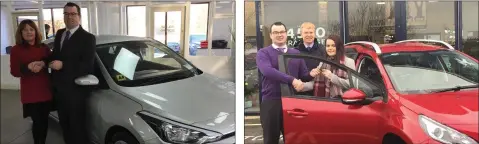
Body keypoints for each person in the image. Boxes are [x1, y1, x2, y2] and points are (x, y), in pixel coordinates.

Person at [256, 22, 314, 144]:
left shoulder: (296, 53)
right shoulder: (263, 53)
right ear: (271, 35)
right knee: (271, 140)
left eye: (282, 32)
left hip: (292, 102)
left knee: (295, 139)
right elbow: (268, 72)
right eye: (276, 32)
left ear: (286, 34)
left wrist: (312, 74)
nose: (279, 35)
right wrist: (292, 80)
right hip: (271, 102)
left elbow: (303, 75)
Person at [47, 2, 96, 144]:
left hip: (76, 93)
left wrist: (63, 65)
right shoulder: (60, 33)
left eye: (73, 14)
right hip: (59, 91)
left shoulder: (88, 38)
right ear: (63, 16)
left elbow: (87, 66)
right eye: (67, 14)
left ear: (79, 16)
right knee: (65, 127)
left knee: (78, 130)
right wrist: (44, 61)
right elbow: (56, 55)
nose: (70, 17)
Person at [10, 19, 53, 144]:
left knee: (44, 121)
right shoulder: (16, 49)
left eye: (31, 29)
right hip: (30, 94)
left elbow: (50, 61)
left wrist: (43, 63)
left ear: (36, 31)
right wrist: (27, 67)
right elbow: (14, 71)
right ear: (21, 33)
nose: (29, 32)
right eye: (25, 30)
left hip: (45, 91)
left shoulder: (44, 48)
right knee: (37, 122)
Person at [294, 22, 326, 95]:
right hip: (300, 92)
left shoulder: (323, 50)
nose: (309, 35)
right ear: (301, 34)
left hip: (320, 91)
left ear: (314, 34)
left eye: (311, 32)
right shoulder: (296, 51)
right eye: (306, 33)